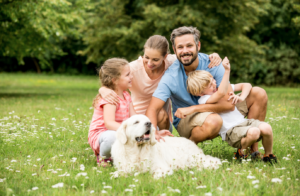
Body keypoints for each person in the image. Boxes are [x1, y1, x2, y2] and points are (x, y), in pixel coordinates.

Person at [146, 26, 268, 154]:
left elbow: (229, 105)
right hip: (189, 119)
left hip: (218, 109)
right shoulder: (171, 76)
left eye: (189, 46)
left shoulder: (213, 64)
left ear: (198, 46)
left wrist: (193, 108)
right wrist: (154, 133)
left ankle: (251, 150)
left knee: (258, 93)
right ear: (174, 50)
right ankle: (187, 149)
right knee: (214, 120)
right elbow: (153, 108)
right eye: (180, 47)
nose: (185, 51)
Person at [99, 35, 221, 140]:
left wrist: (214, 55)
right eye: (146, 57)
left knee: (160, 113)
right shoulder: (132, 69)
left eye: (155, 59)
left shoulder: (172, 63)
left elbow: (190, 55)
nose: (149, 63)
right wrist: (103, 89)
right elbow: (110, 75)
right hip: (135, 117)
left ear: (165, 56)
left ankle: (163, 143)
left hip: (161, 119)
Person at [186, 57, 277, 163]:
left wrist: (241, 97)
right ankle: (242, 152)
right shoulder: (204, 99)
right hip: (231, 131)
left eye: (213, 80)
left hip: (244, 122)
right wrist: (226, 71)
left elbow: (247, 85)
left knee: (267, 128)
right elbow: (220, 93)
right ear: (200, 93)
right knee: (254, 132)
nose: (214, 84)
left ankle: (269, 156)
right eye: (210, 85)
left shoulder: (219, 89)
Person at [88, 58, 136, 167]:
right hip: (103, 135)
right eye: (127, 75)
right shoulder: (110, 98)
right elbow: (109, 123)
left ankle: (121, 155)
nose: (131, 77)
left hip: (119, 131)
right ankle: (104, 158)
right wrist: (128, 131)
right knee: (112, 137)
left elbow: (134, 117)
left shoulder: (126, 95)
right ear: (115, 80)